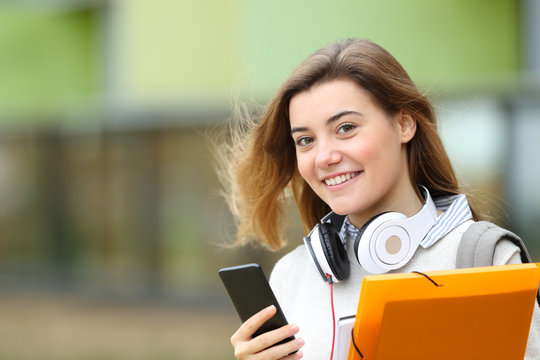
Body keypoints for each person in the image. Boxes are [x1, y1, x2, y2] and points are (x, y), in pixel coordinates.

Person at [218, 38, 539, 359]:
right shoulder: (291, 277)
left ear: (403, 124)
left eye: (345, 128)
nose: (324, 157)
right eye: (305, 140)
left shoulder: (485, 259)